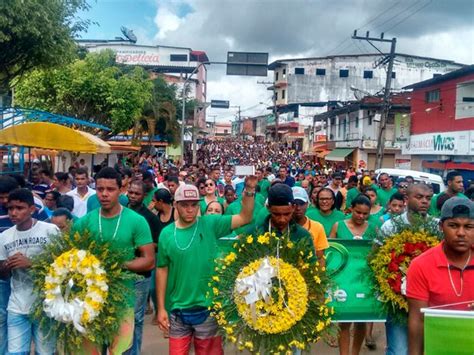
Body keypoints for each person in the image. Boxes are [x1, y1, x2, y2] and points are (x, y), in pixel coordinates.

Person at [156, 177, 257, 355]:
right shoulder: (166, 234)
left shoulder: (210, 224)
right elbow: (162, 270)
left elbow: (245, 217)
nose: (189, 209)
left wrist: (249, 189)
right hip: (178, 311)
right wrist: (161, 308)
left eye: (194, 204)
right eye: (184, 204)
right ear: (176, 205)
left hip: (208, 310)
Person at [72, 167, 155, 354]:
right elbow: (70, 259)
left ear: (120, 190)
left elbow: (149, 261)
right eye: (100, 189)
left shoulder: (136, 221)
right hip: (90, 301)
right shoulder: (84, 223)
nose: (104, 194)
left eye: (110, 189)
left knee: (123, 351)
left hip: (123, 300)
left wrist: (117, 266)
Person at [407, 197, 474, 355]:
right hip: (438, 346)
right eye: (453, 226)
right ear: (440, 226)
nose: (461, 233)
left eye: (469, 227)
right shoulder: (421, 265)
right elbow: (417, 320)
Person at [378, 183, 438, 355]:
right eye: (419, 197)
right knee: (399, 351)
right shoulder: (390, 226)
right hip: (398, 302)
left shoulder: (438, 226)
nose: (424, 202)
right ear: (406, 199)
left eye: (428, 198)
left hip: (431, 302)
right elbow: (377, 260)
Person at [0, 188, 59, 354]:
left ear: (32, 209)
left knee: (46, 352)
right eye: (10, 208)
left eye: (19, 208)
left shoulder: (50, 231)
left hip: (45, 306)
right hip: (17, 307)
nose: (13, 213)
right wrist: (6, 266)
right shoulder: (4, 236)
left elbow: (63, 266)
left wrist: (32, 264)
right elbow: (2, 274)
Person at [330, 195, 376, 355]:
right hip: (343, 279)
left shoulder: (374, 228)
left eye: (365, 213)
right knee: (344, 321)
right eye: (358, 212)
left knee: (361, 320)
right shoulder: (338, 226)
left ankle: (355, 352)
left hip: (364, 280)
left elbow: (377, 253)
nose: (361, 216)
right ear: (351, 209)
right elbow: (332, 251)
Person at [127, 179, 161, 354]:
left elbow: (158, 243)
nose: (132, 196)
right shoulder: (121, 213)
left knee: (136, 318)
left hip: (141, 276)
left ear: (144, 196)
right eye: (130, 192)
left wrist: (142, 244)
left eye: (136, 193)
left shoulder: (150, 218)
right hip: (121, 274)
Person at [292, 187, 328, 266]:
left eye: (301, 204)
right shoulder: (282, 227)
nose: (298, 208)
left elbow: (320, 257)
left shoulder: (317, 227)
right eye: (294, 204)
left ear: (307, 204)